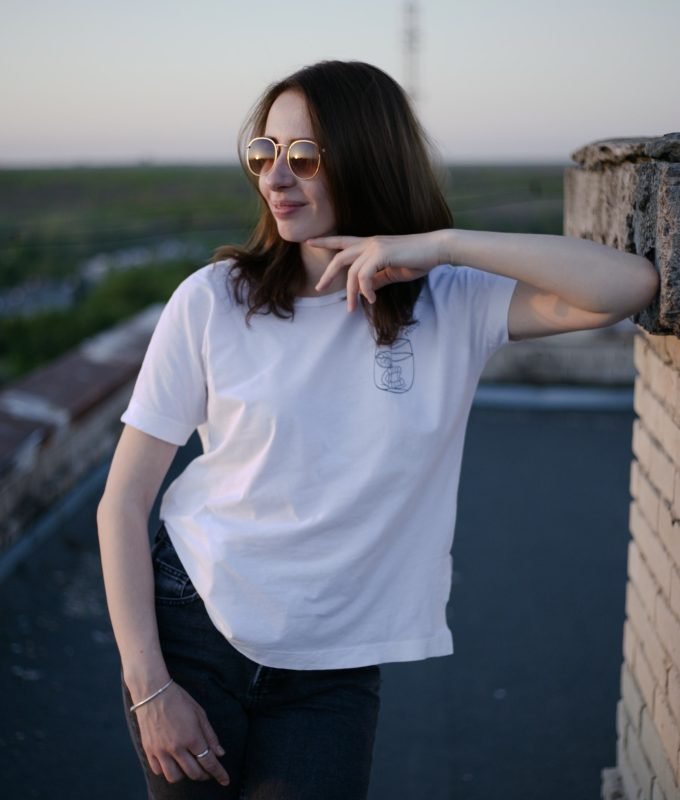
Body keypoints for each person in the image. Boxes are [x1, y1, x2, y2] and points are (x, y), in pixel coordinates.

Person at [97, 60, 658, 800]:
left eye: (304, 157)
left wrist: (442, 244)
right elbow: (124, 502)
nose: (276, 177)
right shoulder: (213, 302)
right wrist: (149, 689)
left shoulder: (451, 303)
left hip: (332, 666)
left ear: (367, 159)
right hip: (195, 626)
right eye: (264, 153)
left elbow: (629, 287)